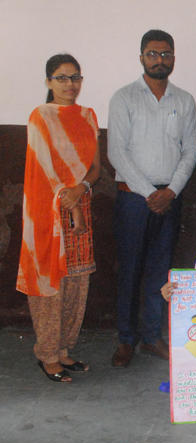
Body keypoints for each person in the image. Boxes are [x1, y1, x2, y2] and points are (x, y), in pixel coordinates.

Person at [108, 29, 196, 367]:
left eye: (165, 54)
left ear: (173, 58)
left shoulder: (184, 100)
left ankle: (151, 336)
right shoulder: (124, 98)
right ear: (141, 57)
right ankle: (126, 340)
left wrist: (171, 191)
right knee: (130, 270)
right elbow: (117, 153)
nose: (159, 60)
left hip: (170, 198)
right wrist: (151, 194)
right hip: (134, 198)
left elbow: (190, 151)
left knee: (161, 270)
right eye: (153, 54)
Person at [17, 54, 100, 382]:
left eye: (75, 77)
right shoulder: (40, 116)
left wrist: (81, 190)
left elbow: (94, 168)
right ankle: (48, 354)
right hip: (47, 212)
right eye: (62, 78)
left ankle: (64, 350)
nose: (70, 84)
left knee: (77, 282)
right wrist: (72, 202)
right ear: (48, 82)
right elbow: (45, 170)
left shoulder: (88, 116)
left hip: (81, 204)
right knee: (51, 283)